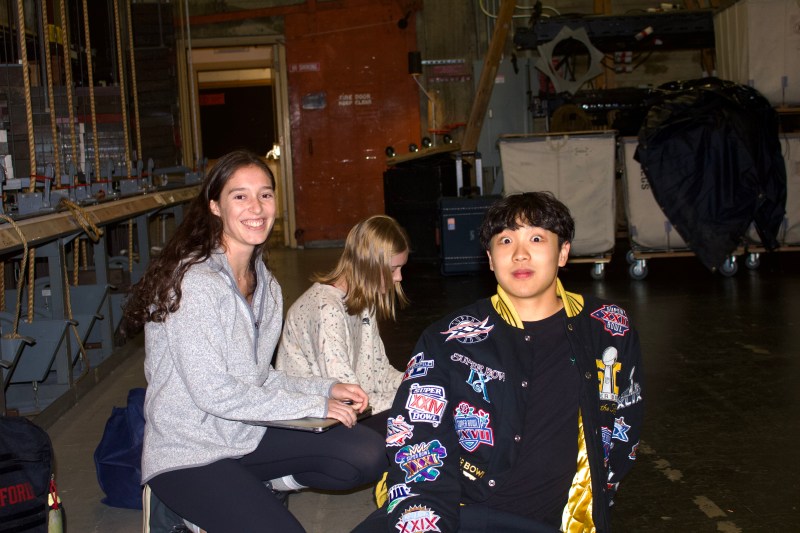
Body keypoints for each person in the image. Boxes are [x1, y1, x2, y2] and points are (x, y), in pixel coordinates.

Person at [123, 150, 384, 532]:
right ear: (215, 206)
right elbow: (215, 393)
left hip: (247, 435)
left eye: (265, 194)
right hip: (191, 452)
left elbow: (259, 377)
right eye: (240, 196)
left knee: (365, 453)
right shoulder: (194, 284)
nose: (256, 207)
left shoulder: (266, 286)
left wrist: (328, 387)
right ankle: (174, 507)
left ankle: (261, 483)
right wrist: (315, 402)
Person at [353, 192, 644, 533]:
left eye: (536, 238)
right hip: (460, 511)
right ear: (490, 259)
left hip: (552, 522)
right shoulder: (448, 339)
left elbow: (624, 431)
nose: (520, 253)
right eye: (506, 240)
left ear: (563, 252)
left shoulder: (608, 327)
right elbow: (418, 440)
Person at [275, 215, 409, 430]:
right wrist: (413, 397)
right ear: (369, 264)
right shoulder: (326, 309)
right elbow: (349, 400)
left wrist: (419, 382)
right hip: (315, 419)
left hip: (349, 411)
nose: (399, 277)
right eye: (393, 269)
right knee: (416, 418)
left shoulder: (363, 300)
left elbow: (379, 372)